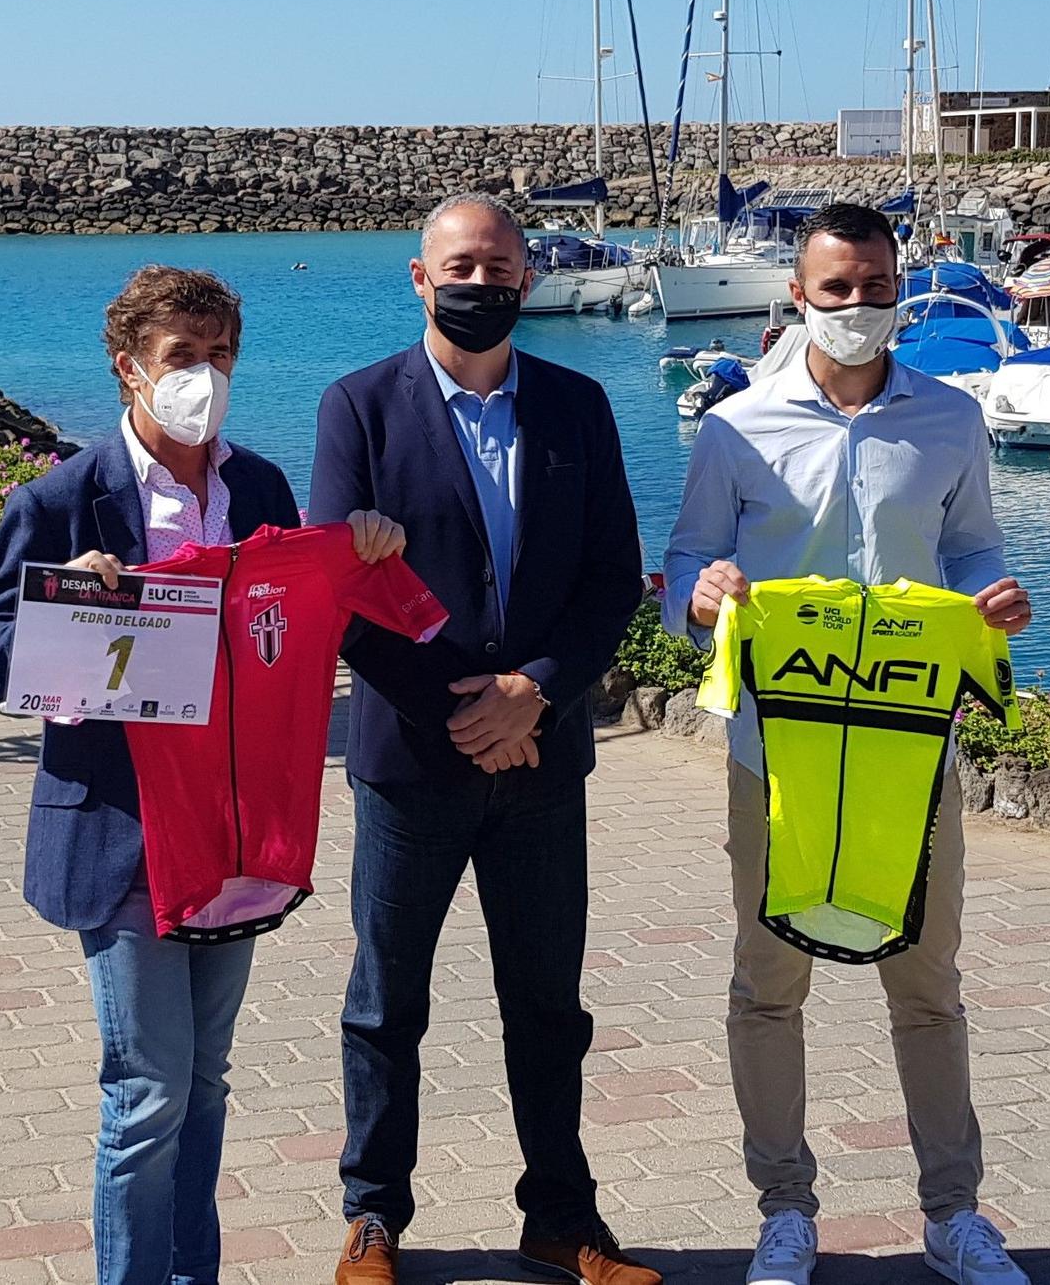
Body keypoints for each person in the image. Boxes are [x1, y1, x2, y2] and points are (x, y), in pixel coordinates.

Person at [0, 265, 407, 1285]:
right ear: (128, 368)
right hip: (120, 834)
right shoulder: (60, 498)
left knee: (203, 1082)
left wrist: (369, 549)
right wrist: (70, 608)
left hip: (234, 831)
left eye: (218, 356)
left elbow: (303, 604)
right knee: (146, 1092)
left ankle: (189, 1272)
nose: (202, 376)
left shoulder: (258, 489)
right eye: (179, 358)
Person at [662, 203, 1035, 1285]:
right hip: (772, 756)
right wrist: (703, 591)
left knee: (926, 984)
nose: (858, 306)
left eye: (875, 286)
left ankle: (952, 1212)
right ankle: (783, 1208)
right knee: (767, 984)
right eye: (836, 289)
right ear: (797, 294)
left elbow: (971, 550)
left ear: (899, 289)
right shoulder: (734, 425)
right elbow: (682, 561)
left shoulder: (952, 419)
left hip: (911, 755)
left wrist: (990, 598)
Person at [309, 193, 657, 1285]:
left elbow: (611, 581)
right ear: (418, 277)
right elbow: (342, 591)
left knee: (548, 1003)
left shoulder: (578, 405)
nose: (482, 281)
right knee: (385, 1001)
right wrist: (462, 714)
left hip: (543, 759)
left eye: (501, 265)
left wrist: (532, 693)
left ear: (527, 278)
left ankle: (561, 1214)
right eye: (460, 263)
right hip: (414, 762)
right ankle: (373, 1215)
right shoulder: (357, 407)